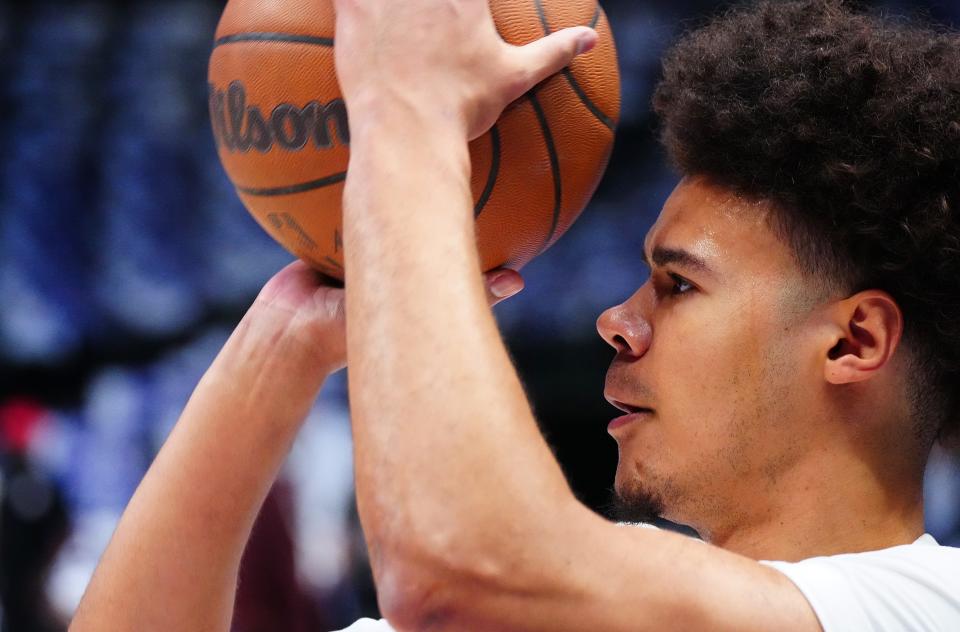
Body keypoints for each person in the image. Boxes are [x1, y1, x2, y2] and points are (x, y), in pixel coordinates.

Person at [71, 0, 960, 630]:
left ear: (854, 341)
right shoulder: (588, 595)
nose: (617, 319)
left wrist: (407, 110)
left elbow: (462, 578)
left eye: (678, 285)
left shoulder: (920, 606)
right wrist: (284, 347)